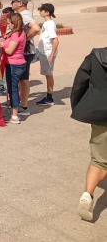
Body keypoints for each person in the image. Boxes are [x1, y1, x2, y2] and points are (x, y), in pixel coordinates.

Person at [70, 47, 107, 221]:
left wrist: (78, 106)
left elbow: (79, 84)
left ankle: (88, 194)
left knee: (98, 160)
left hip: (101, 114)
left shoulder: (96, 56)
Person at [10, 0, 40, 115]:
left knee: (23, 79)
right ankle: (22, 105)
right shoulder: (24, 14)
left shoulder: (24, 15)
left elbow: (36, 28)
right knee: (23, 79)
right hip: (26, 51)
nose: (11, 3)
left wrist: (23, 39)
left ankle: (24, 106)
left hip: (25, 52)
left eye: (13, 1)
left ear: (20, 3)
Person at [0, 13, 26, 124]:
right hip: (14, 63)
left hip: (14, 64)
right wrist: (2, 43)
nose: (8, 26)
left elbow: (9, 51)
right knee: (12, 89)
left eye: (9, 24)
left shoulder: (17, 34)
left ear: (14, 23)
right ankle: (13, 111)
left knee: (13, 90)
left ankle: (15, 115)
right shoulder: (17, 33)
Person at [36, 3, 59, 105]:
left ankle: (49, 98)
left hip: (47, 53)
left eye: (41, 10)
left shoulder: (50, 24)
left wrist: (51, 55)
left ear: (47, 12)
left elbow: (56, 41)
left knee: (48, 74)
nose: (40, 12)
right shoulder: (46, 23)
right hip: (41, 51)